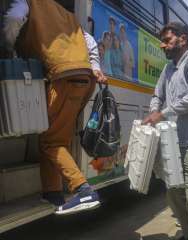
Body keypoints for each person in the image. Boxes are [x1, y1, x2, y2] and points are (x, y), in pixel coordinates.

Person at [3, 0, 107, 215]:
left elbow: (13, 19)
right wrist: (95, 66)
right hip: (82, 78)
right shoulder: (67, 15)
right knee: (52, 136)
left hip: (62, 77)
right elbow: (89, 41)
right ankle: (52, 192)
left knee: (52, 141)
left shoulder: (28, 3)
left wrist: (8, 47)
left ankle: (83, 190)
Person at [143, 22, 188, 240]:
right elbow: (157, 95)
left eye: (167, 41)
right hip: (173, 146)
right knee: (174, 196)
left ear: (183, 39)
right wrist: (154, 110)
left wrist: (162, 114)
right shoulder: (168, 68)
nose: (162, 46)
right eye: (161, 42)